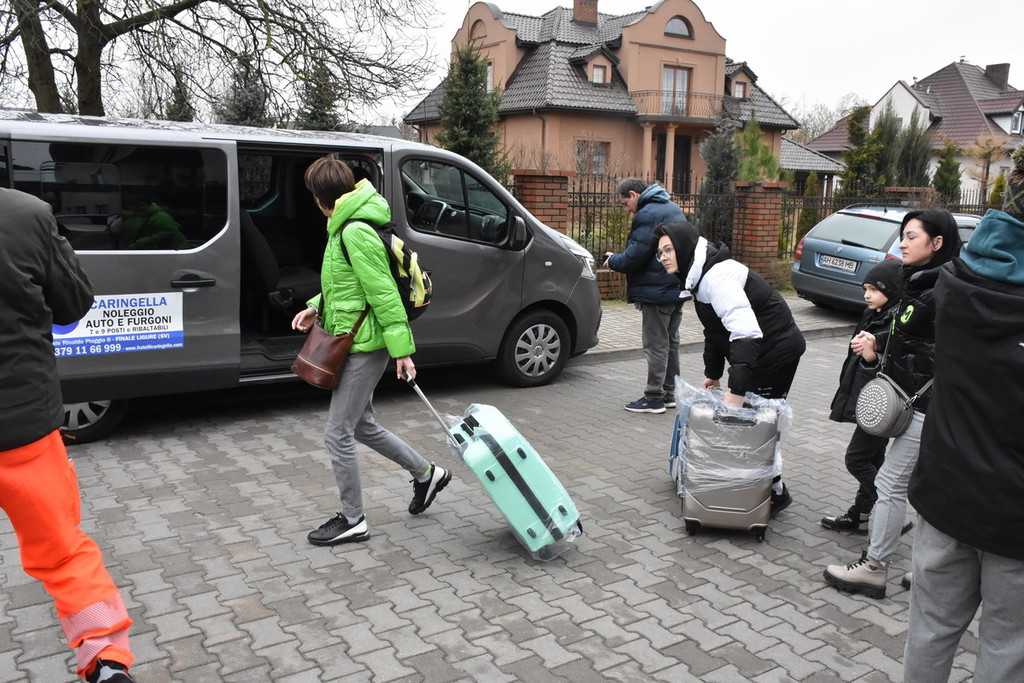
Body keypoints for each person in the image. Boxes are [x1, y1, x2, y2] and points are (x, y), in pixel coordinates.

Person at [0, 188, 135, 682]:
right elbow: (74, 303)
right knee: (61, 550)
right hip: (21, 423)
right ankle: (105, 659)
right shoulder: (24, 213)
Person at [292, 155, 451, 546]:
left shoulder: (354, 231)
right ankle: (427, 474)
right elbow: (345, 286)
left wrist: (402, 352)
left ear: (320, 197)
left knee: (337, 433)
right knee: (362, 425)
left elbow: (384, 295)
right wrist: (315, 307)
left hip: (366, 345)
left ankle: (353, 519)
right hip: (356, 338)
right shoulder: (343, 226)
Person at [902, 197, 1024, 679]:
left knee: (929, 630)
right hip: (1014, 520)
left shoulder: (953, 284)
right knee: (1007, 648)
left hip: (945, 493)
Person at [822, 208, 960, 599]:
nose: (902, 243)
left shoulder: (944, 288)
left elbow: (944, 348)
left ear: (937, 242)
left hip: (929, 403)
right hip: (920, 400)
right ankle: (931, 571)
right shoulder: (919, 280)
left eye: (912, 236)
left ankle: (875, 566)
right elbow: (911, 338)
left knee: (890, 483)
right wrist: (881, 345)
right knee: (929, 487)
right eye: (903, 235)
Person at [653, 220, 805, 515]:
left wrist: (737, 389)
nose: (663, 257)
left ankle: (774, 492)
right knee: (752, 422)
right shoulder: (701, 277)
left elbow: (746, 333)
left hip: (776, 353)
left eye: (668, 250)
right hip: (761, 352)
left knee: (758, 424)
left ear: (683, 248)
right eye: (660, 253)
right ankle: (750, 487)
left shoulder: (717, 278)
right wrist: (713, 374)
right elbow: (715, 331)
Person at [820, 259, 901, 534]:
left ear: (891, 289)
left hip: (884, 406)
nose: (867, 294)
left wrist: (870, 357)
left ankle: (891, 510)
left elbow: (895, 371)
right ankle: (861, 517)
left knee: (856, 459)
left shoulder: (896, 321)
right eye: (865, 288)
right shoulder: (873, 314)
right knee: (874, 459)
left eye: (874, 289)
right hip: (872, 402)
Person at [603, 178, 686, 414]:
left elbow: (635, 255)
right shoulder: (671, 207)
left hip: (656, 289)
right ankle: (669, 393)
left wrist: (613, 260)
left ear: (633, 194)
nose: (627, 209)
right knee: (670, 343)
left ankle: (653, 397)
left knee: (656, 344)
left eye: (625, 203)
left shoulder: (648, 213)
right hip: (675, 285)